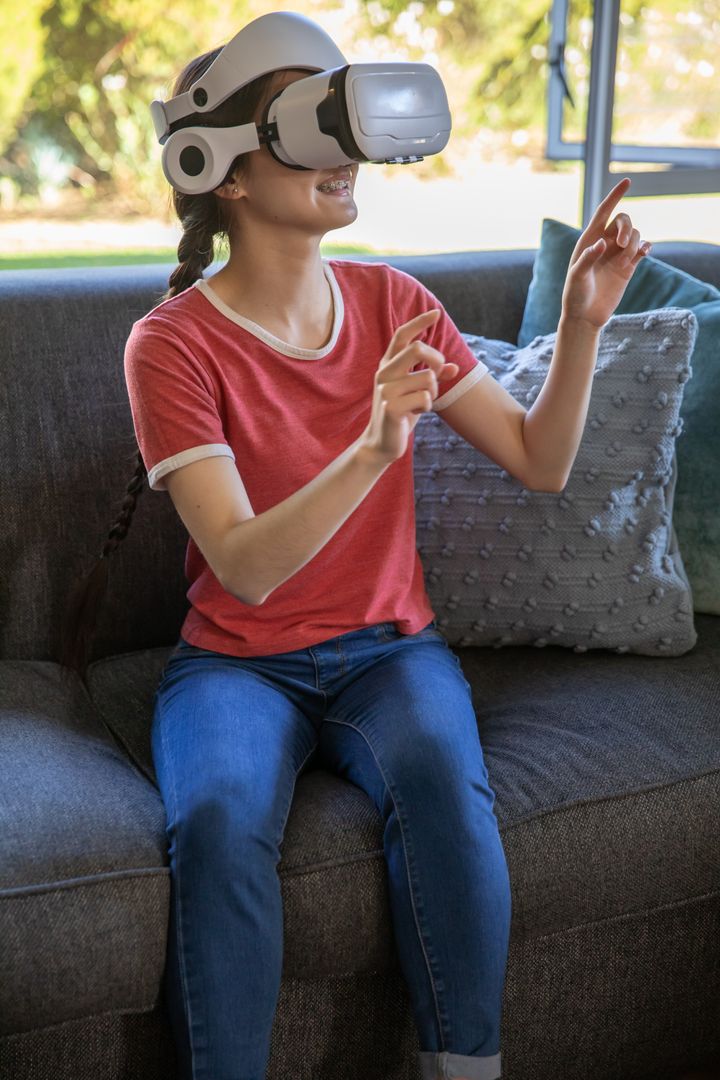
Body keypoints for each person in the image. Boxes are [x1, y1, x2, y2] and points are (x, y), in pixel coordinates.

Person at [57, 10, 648, 1080]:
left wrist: (584, 320)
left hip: (390, 652)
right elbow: (244, 565)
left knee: (447, 791)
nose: (345, 159)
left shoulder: (393, 301)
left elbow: (540, 460)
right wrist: (375, 446)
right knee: (219, 820)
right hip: (238, 663)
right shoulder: (171, 345)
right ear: (227, 171)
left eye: (346, 131)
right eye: (308, 133)